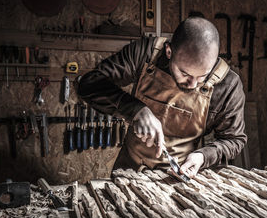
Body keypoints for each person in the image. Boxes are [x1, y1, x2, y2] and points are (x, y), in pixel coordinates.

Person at [78, 17, 246, 178]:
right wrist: (136, 110)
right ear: (168, 51)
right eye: (185, 73)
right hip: (128, 170)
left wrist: (202, 156)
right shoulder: (146, 53)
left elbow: (234, 140)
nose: (193, 84)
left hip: (177, 177)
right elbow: (88, 84)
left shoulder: (228, 84)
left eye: (203, 76)